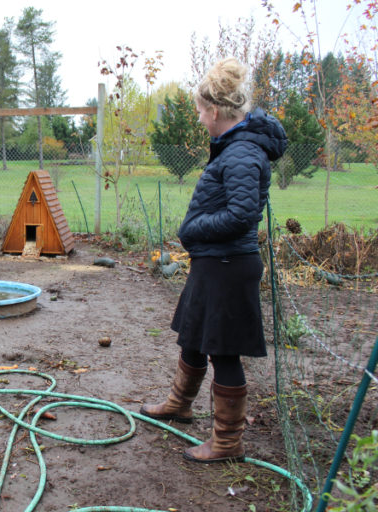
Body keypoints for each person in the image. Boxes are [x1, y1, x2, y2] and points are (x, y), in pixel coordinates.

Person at [140, 57, 288, 463]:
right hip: (214, 262)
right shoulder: (234, 147)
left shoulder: (242, 153)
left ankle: (227, 442)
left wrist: (194, 229)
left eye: (202, 111)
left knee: (223, 351)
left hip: (228, 265)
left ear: (217, 111)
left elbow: (241, 215)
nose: (200, 118)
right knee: (193, 335)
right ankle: (179, 404)